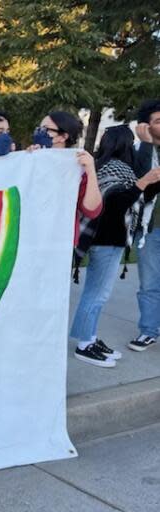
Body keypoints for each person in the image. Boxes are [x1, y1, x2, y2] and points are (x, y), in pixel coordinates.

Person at [69, 126, 160, 367]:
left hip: (108, 239)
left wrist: (151, 183)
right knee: (97, 294)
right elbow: (117, 204)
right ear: (124, 145)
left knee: (97, 293)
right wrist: (144, 182)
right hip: (107, 239)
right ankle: (84, 345)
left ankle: (90, 337)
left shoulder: (105, 166)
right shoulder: (114, 168)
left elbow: (137, 197)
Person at [29, 110, 103, 247]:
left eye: (45, 129)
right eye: (39, 128)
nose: (39, 132)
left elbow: (92, 210)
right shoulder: (31, 159)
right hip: (29, 239)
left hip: (60, 243)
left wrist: (91, 171)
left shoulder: (77, 167)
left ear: (63, 136)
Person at [127, 99, 160, 351]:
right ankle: (149, 330)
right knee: (149, 283)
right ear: (145, 126)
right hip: (149, 229)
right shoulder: (141, 151)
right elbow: (139, 184)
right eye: (158, 121)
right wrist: (147, 143)